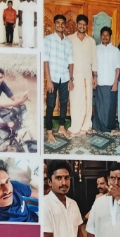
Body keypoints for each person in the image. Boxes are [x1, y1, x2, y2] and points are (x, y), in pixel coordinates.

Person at [61, 14, 95, 135]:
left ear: (87, 26)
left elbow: (94, 59)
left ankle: (86, 125)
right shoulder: (69, 39)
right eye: (80, 24)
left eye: (84, 24)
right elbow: (65, 58)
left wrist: (95, 76)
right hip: (74, 76)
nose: (82, 26)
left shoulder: (91, 41)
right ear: (76, 25)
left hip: (87, 75)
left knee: (87, 100)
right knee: (75, 101)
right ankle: (75, 126)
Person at [43, 13, 74, 144]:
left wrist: (71, 79)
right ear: (54, 24)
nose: (60, 25)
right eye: (58, 23)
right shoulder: (48, 40)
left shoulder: (68, 42)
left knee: (64, 102)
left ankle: (61, 127)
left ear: (65, 25)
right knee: (50, 104)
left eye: (62, 23)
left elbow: (71, 62)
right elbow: (45, 60)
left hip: (65, 77)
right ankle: (49, 131)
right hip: (53, 78)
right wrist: (48, 80)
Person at [42, 161, 84, 237]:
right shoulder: (45, 204)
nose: (64, 183)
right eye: (59, 178)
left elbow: (79, 232)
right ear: (50, 182)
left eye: (67, 178)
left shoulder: (73, 204)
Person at [93, 25, 120, 133]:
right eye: (103, 35)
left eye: (107, 35)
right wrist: (94, 78)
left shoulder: (115, 50)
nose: (105, 37)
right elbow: (94, 66)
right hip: (99, 82)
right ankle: (98, 127)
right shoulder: (96, 49)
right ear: (100, 36)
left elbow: (117, 67)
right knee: (99, 106)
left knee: (110, 107)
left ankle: (109, 127)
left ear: (110, 36)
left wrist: (115, 83)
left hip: (110, 83)